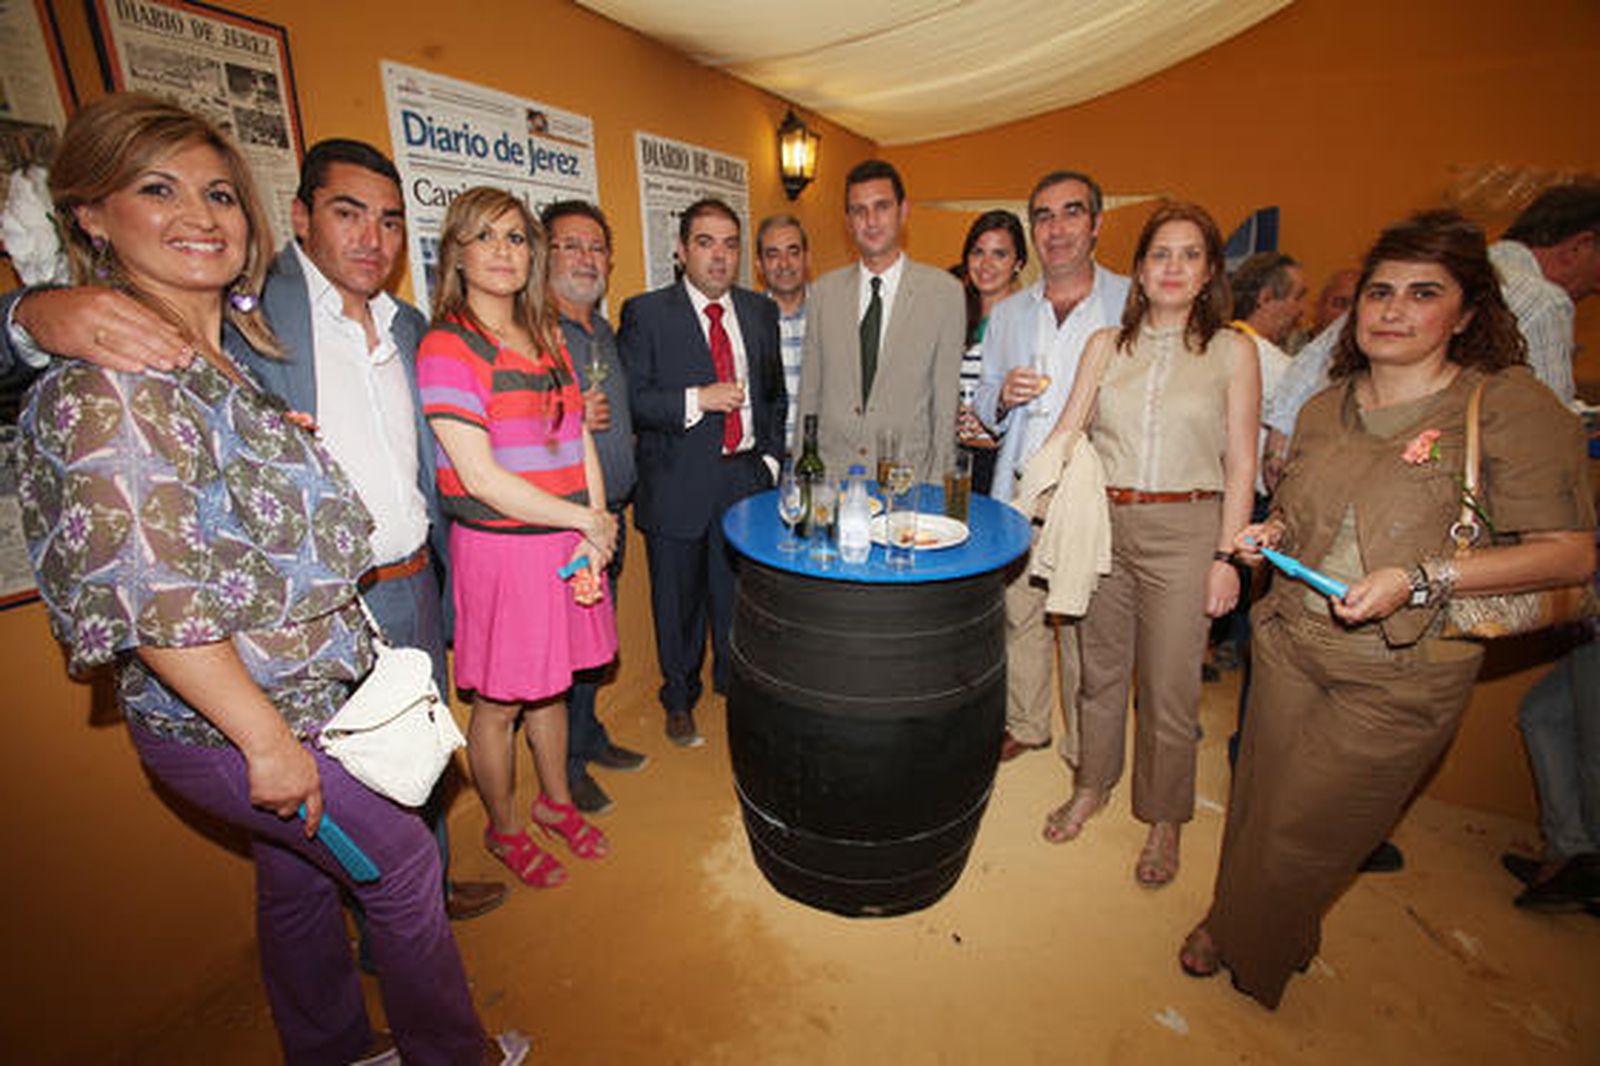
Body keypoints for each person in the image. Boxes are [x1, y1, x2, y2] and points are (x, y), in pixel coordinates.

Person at [13, 92, 524, 1065]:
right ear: (88, 213)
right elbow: (151, 595)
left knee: (295, 878)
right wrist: (264, 742)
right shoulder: (109, 378)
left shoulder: (230, 356)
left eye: (216, 193)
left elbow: (219, 508)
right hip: (249, 716)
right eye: (156, 190)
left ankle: (331, 1049)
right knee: (405, 868)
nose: (199, 216)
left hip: (328, 667)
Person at [1180, 210, 1595, 1009]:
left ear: (1468, 312)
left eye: (1422, 293)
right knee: (1260, 803)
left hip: (1405, 668)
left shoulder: (1506, 407)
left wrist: (1421, 577)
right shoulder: (1324, 407)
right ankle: (1247, 922)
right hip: (1291, 643)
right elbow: (1304, 514)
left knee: (1312, 829)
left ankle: (1244, 941)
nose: (1393, 310)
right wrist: (1272, 530)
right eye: (1379, 292)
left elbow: (1572, 553)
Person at [1038, 202, 1259, 891]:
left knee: (1168, 689)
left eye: (1189, 255)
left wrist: (1228, 559)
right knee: (1098, 673)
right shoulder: (1107, 344)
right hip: (1105, 526)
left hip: (1189, 532)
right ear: (1137, 269)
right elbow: (1067, 432)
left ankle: (1165, 817)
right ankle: (1092, 783)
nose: (1172, 268)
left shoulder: (1234, 350)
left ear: (1210, 271)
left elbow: (1242, 466)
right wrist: (1029, 504)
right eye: (1160, 254)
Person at [418, 187, 618, 888]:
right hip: (501, 551)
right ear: (458, 254)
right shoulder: (447, 343)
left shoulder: (548, 334)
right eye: (485, 237)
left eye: (515, 237)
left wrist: (596, 530)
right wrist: (583, 521)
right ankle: (506, 831)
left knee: (553, 688)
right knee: (499, 702)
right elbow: (477, 475)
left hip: (565, 543)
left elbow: (578, 440)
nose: (503, 252)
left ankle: (556, 804)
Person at [976, 171, 1131, 766]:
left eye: (1071, 213)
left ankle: (1086, 746)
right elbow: (985, 401)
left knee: (1091, 632)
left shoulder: (1130, 300)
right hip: (1020, 485)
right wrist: (1001, 398)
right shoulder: (1012, 311)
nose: (1057, 228)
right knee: (1021, 617)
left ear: (1095, 223)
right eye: (1043, 216)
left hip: (1097, 493)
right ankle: (1028, 722)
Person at [619, 199, 785, 746]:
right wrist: (698, 398)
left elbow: (773, 396)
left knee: (738, 599)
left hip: (745, 480)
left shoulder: (759, 312)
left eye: (730, 244)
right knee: (678, 602)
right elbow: (633, 401)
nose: (719, 255)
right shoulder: (646, 312)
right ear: (681, 248)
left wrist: (769, 462)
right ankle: (679, 698)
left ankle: (733, 685)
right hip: (677, 484)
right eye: (706, 242)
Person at [542, 199, 648, 816]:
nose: (586, 258)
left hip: (611, 518)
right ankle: (569, 765)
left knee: (594, 646)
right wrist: (570, 414)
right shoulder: (536, 331)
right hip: (565, 527)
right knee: (566, 653)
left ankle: (589, 735)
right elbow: (509, 433)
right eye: (570, 245)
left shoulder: (602, 330)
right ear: (545, 254)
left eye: (595, 248)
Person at [798, 159, 965, 479]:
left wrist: (936, 490)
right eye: (859, 211)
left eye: (881, 207)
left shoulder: (944, 293)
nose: (870, 221)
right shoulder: (823, 293)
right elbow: (810, 393)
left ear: (903, 211)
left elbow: (945, 407)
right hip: (833, 480)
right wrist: (801, 478)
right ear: (848, 221)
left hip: (906, 482)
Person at [955, 209, 1027, 496]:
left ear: (1018, 263)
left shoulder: (1030, 322)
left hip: (1003, 466)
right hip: (955, 462)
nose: (986, 264)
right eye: (977, 252)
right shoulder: (954, 318)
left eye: (1000, 254)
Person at [755, 212, 811, 453]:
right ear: (759, 264)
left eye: (793, 252)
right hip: (768, 465)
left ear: (807, 258)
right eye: (773, 254)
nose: (784, 264)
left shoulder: (835, 315)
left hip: (825, 463)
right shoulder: (744, 321)